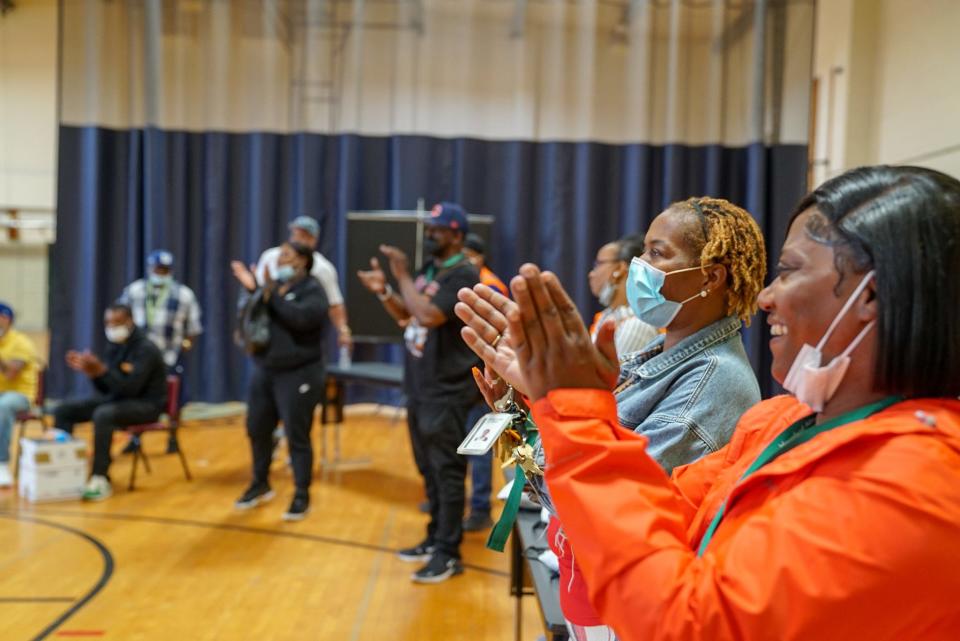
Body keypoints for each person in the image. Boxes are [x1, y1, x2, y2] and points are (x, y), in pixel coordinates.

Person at [495, 166, 960, 641]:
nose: (765, 298)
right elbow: (664, 509)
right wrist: (553, 407)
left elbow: (689, 622)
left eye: (789, 271)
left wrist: (575, 413)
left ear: (873, 294)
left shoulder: (911, 489)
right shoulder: (783, 419)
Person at [456, 197, 767, 639]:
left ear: (711, 277)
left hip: (625, 600)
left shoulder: (714, 381)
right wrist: (522, 404)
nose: (638, 265)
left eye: (658, 254)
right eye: (643, 250)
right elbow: (578, 462)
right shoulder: (658, 354)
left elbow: (603, 502)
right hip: (589, 576)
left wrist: (552, 400)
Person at [357, 201, 480, 583]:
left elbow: (430, 315)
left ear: (457, 233)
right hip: (420, 386)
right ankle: (433, 538)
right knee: (428, 471)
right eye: (429, 227)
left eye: (438, 229)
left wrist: (400, 275)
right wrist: (385, 292)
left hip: (447, 392)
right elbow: (408, 317)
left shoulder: (462, 274)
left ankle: (449, 553)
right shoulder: (431, 270)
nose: (430, 234)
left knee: (446, 473)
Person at [231, 242, 329, 521]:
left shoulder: (313, 289)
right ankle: (260, 482)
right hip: (265, 368)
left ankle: (301, 493)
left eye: (286, 255)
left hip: (299, 371)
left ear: (302, 261)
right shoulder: (272, 286)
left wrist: (264, 293)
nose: (279, 260)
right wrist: (253, 292)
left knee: (297, 435)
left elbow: (299, 319)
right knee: (257, 428)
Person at [54, 304, 167, 501]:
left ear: (130, 321)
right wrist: (93, 373)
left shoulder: (146, 349)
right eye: (108, 323)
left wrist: (102, 371)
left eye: (117, 323)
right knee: (64, 410)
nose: (112, 327)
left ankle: (100, 477)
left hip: (146, 406)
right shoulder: (115, 346)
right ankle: (64, 469)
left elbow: (130, 389)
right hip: (118, 401)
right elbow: (108, 389)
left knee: (103, 414)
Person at [118, 249, 202, 453]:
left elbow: (193, 328)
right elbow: (119, 316)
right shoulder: (134, 291)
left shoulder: (184, 294)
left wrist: (185, 347)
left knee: (174, 399)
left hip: (169, 357)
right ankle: (135, 439)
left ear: (170, 271)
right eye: (157, 269)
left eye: (164, 270)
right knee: (134, 397)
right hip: (137, 358)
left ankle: (172, 438)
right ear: (150, 268)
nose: (160, 273)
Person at [461, 233, 508, 532]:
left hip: (486, 379)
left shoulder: (488, 285)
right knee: (467, 442)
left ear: (478, 256)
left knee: (481, 444)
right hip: (467, 377)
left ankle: (480, 507)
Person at [255, 216, 352, 350]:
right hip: (270, 341)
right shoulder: (270, 256)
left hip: (302, 343)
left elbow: (335, 304)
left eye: (304, 236)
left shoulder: (321, 270)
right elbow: (257, 295)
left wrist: (343, 331)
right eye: (295, 234)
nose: (282, 261)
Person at [587, 235, 658, 360]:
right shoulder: (606, 316)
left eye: (598, 264)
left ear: (620, 268)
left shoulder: (636, 325)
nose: (591, 274)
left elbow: (614, 379)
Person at [0, 302, 40, 488]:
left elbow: (10, 373)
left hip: (20, 396)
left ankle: (2, 464)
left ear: (7, 319)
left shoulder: (21, 343)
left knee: (3, 406)